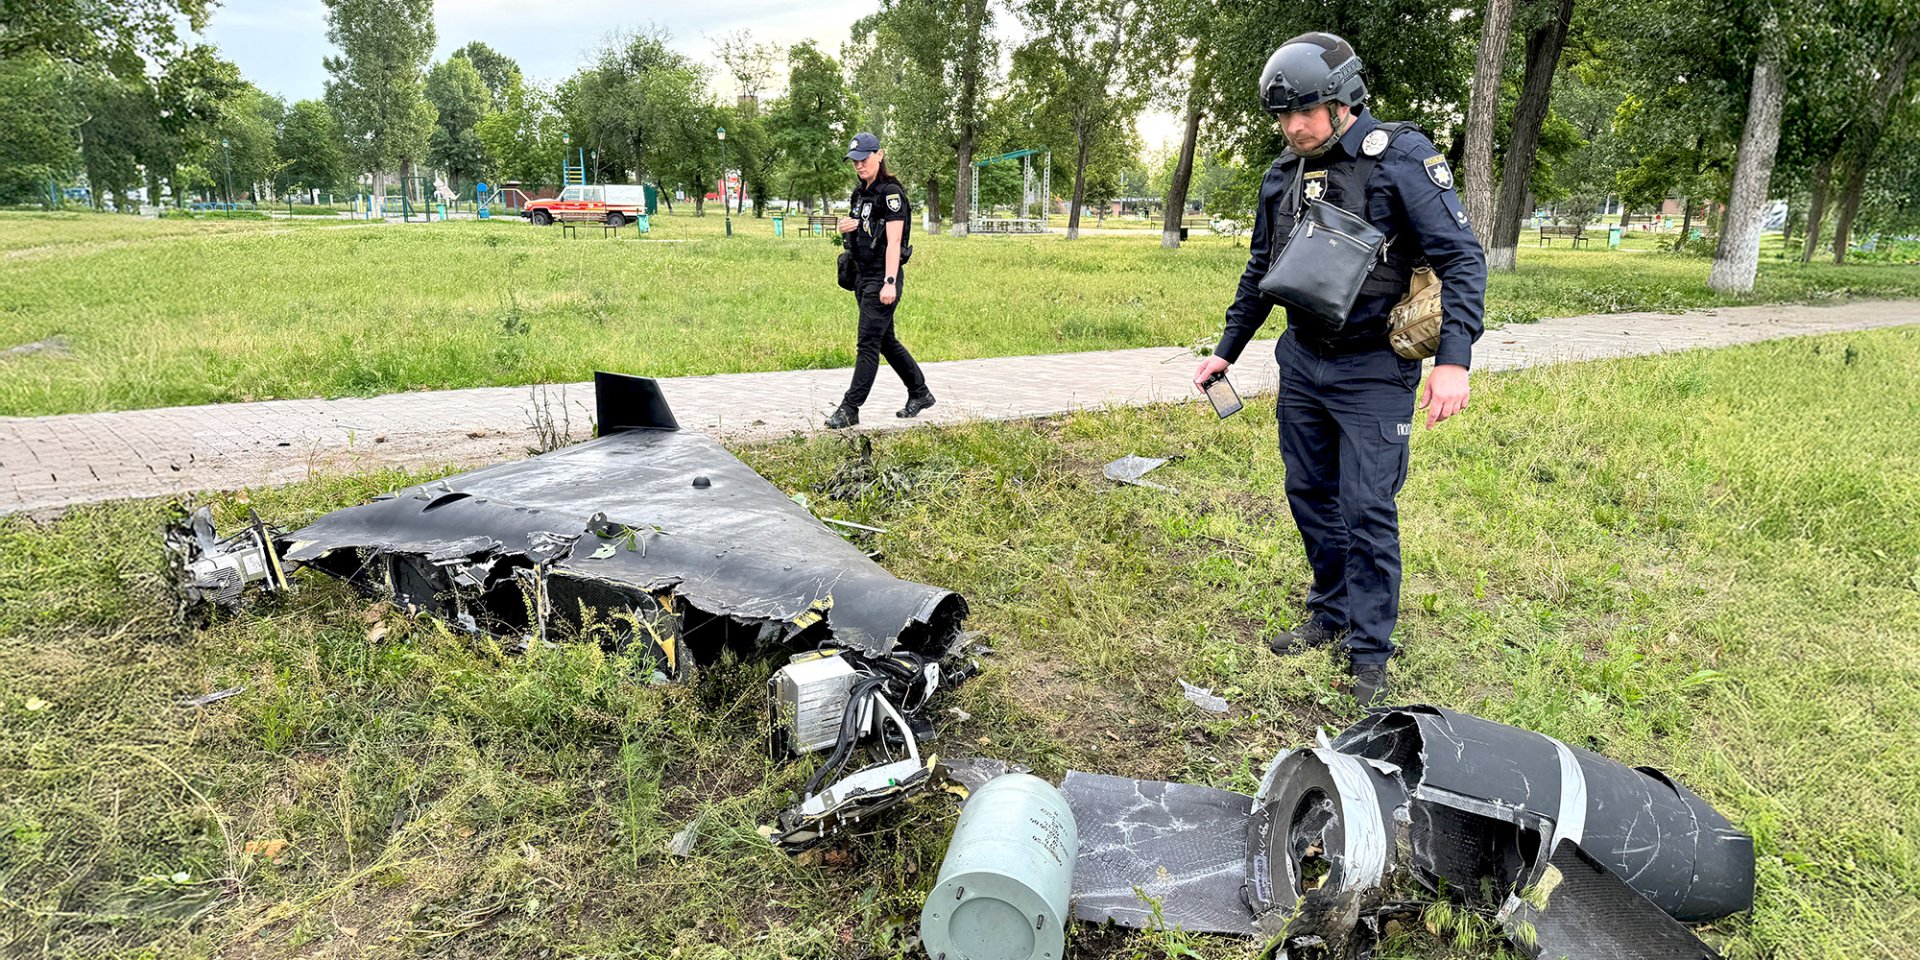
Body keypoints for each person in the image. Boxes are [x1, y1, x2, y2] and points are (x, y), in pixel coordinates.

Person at [1192, 32, 1486, 705]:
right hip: (1302, 363)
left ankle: (1370, 649)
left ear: (1344, 98)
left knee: (1366, 508)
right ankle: (1331, 613)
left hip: (1374, 370)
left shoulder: (1401, 160)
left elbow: (1463, 260)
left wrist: (1454, 361)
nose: (1294, 127)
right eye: (1282, 116)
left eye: (1307, 111)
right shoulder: (1281, 176)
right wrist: (1227, 349)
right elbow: (1259, 273)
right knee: (1311, 496)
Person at [825, 132, 936, 429]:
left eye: (864, 159)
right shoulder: (860, 194)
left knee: (868, 344)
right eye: (855, 161)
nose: (859, 165)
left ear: (880, 155)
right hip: (862, 276)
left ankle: (850, 407)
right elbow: (860, 231)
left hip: (881, 278)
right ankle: (920, 392)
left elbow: (894, 241)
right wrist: (845, 227)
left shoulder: (891, 194)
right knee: (886, 341)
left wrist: (889, 281)